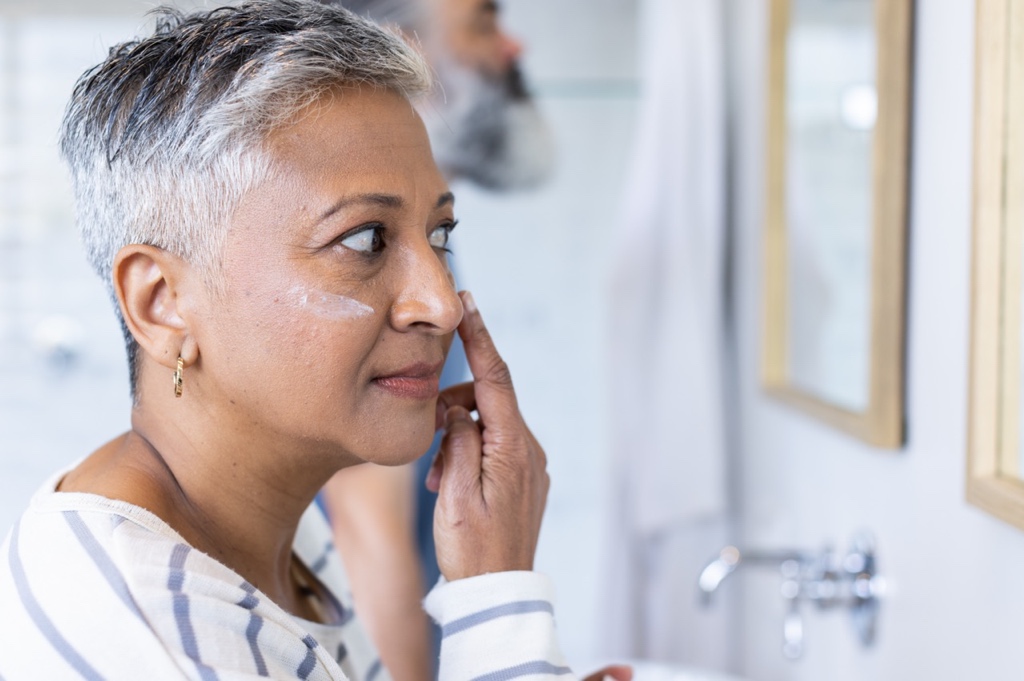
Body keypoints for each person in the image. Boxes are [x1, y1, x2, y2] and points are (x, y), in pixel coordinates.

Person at [0, 2, 570, 677]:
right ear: (162, 304)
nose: (442, 305)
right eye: (365, 239)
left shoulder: (273, 527)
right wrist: (499, 604)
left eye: (438, 234)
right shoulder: (164, 644)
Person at [317, 2, 556, 679]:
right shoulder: (373, 257)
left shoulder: (411, 246)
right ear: (400, 50)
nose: (512, 45)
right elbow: (367, 536)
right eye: (482, 22)